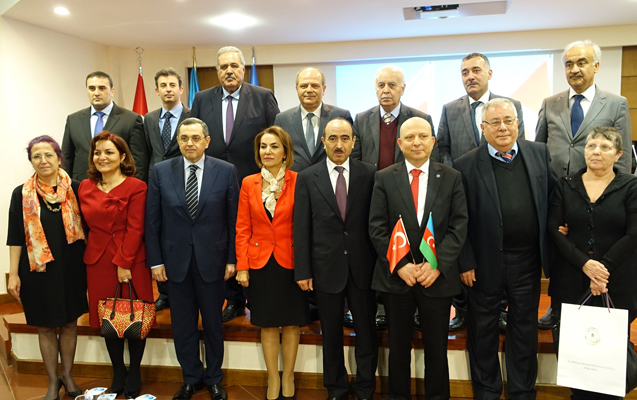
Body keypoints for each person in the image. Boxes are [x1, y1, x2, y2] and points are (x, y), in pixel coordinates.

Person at [453, 98, 557, 400]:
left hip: (527, 261)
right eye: (495, 122)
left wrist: (561, 225)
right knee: (482, 331)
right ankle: (487, 391)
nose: (502, 127)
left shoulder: (539, 153)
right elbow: (458, 219)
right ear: (483, 128)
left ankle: (522, 392)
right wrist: (465, 261)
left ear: (518, 124)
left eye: (508, 120)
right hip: (483, 263)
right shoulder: (465, 164)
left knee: (524, 330)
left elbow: (553, 197)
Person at [535, 39, 633, 329]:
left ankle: (601, 301)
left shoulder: (615, 103)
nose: (574, 69)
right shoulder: (549, 103)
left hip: (601, 194)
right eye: (569, 64)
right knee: (559, 250)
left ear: (596, 66)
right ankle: (556, 306)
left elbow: (623, 156)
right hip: (558, 195)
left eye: (581, 62)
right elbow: (538, 151)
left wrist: (616, 199)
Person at [369, 117, 468, 400]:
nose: (417, 142)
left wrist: (436, 266)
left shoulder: (451, 177)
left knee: (437, 349)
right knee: (398, 348)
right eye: (410, 137)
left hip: (436, 279)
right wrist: (400, 265)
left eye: (423, 136)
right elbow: (376, 227)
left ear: (433, 141)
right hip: (397, 278)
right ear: (400, 143)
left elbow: (459, 226)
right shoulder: (384, 177)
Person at [145, 117, 239, 400]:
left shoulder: (226, 171)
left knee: (213, 324)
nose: (189, 143)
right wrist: (156, 261)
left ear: (207, 141)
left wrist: (232, 259)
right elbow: (152, 221)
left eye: (196, 138)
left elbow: (234, 220)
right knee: (183, 325)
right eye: (184, 138)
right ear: (178, 141)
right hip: (175, 264)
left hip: (213, 262)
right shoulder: (161, 171)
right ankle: (191, 378)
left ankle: (214, 378)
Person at [190, 46, 280, 322]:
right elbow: (195, 136)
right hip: (214, 182)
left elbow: (275, 136)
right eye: (223, 67)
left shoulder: (262, 96)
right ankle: (234, 299)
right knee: (224, 237)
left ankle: (259, 296)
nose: (228, 71)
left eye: (233, 66)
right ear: (217, 71)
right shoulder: (202, 99)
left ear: (243, 69)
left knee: (253, 238)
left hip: (253, 181)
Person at [437, 52, 525, 332]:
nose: (470, 76)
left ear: (489, 73)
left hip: (499, 190)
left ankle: (499, 311)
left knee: (494, 251)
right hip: (461, 188)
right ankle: (462, 310)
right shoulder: (450, 109)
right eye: (465, 72)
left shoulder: (509, 106)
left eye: (476, 70)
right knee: (463, 247)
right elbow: (443, 147)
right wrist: (456, 176)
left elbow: (517, 145)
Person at [548, 126, 637, 400]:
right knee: (575, 355)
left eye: (605, 147)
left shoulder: (631, 186)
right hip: (571, 281)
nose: (596, 151)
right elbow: (554, 230)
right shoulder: (565, 185)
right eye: (591, 146)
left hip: (617, 283)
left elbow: (634, 233)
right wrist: (586, 265)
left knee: (609, 358)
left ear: (619, 154)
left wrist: (601, 270)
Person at [294, 118, 378, 400]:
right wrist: (303, 270)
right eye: (332, 138)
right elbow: (302, 228)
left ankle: (365, 388)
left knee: (367, 332)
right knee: (330, 335)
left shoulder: (370, 174)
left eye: (344, 138)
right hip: (325, 268)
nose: (338, 144)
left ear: (354, 142)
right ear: (323, 142)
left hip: (363, 267)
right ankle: (336, 388)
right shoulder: (307, 177)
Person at [7, 136, 87, 400]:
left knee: (70, 323)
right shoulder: (21, 193)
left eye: (48, 155)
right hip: (37, 270)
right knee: (45, 326)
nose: (43, 161)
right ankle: (53, 381)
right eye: (36, 156)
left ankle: (68, 376)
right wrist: (13, 274)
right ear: (31, 161)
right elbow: (15, 236)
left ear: (59, 158)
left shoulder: (77, 188)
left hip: (72, 267)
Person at [235, 126, 308, 400]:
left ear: (285, 152)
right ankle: (273, 378)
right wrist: (242, 265)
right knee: (266, 323)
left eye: (274, 146)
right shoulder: (248, 183)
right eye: (263, 146)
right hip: (260, 263)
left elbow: (305, 227)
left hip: (291, 262)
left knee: (290, 323)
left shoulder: (299, 180)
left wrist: (306, 266)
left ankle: (288, 376)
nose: (268, 151)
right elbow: (242, 227)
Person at [79, 131, 154, 399]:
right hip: (97, 261)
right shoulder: (84, 186)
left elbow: (136, 228)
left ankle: (135, 372)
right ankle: (118, 372)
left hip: (131, 260)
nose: (102, 157)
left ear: (122, 156)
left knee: (134, 316)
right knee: (107, 319)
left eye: (109, 152)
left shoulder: (137, 186)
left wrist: (124, 263)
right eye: (97, 153)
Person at [144, 67, 192, 312]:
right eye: (163, 85)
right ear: (157, 90)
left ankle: (186, 286)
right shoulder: (148, 119)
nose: (168, 89)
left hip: (185, 184)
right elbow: (147, 152)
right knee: (160, 233)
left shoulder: (193, 116)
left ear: (181, 89)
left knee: (181, 235)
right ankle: (164, 292)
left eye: (173, 85)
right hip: (156, 183)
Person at [62, 71, 147, 181]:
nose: (96, 93)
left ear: (112, 91)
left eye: (102, 88)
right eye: (92, 88)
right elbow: (66, 158)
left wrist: (133, 187)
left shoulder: (131, 120)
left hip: (117, 185)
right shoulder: (73, 120)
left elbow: (139, 161)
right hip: (81, 184)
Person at [352, 65, 438, 169]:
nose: (386, 90)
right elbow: (354, 161)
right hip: (371, 179)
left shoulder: (421, 119)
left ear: (402, 89)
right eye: (381, 85)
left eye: (392, 85)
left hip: (407, 179)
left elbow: (432, 159)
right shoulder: (361, 120)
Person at [274, 67, 353, 172]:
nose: (309, 90)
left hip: (330, 178)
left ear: (323, 89)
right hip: (295, 179)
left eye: (315, 86)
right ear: (297, 89)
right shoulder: (282, 119)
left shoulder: (341, 115)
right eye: (304, 86)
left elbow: (350, 151)